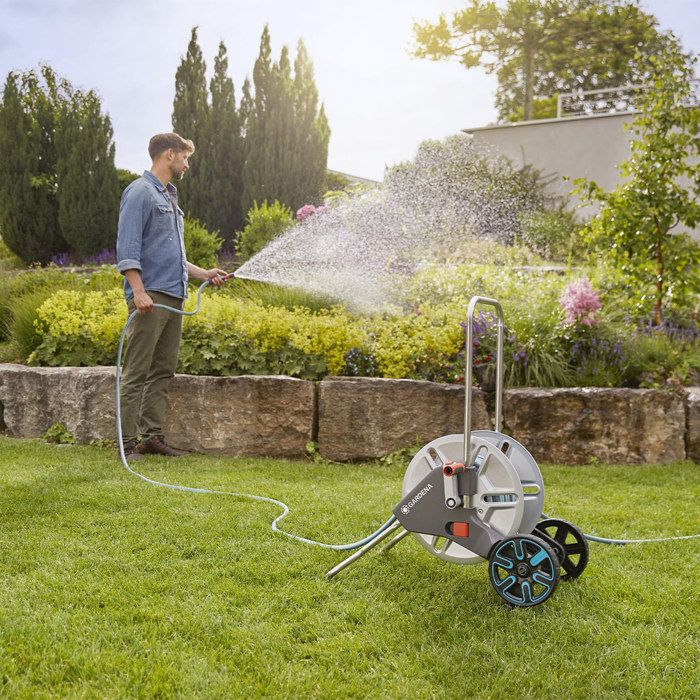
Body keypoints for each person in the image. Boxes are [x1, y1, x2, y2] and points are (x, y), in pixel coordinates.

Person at [116, 132, 227, 460]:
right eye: (185, 157)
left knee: (163, 370)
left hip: (173, 296)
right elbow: (127, 247)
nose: (187, 164)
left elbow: (172, 255)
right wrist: (138, 291)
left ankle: (151, 438)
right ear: (168, 154)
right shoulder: (140, 192)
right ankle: (125, 443)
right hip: (150, 298)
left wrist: (204, 274)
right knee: (136, 371)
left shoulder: (169, 197)